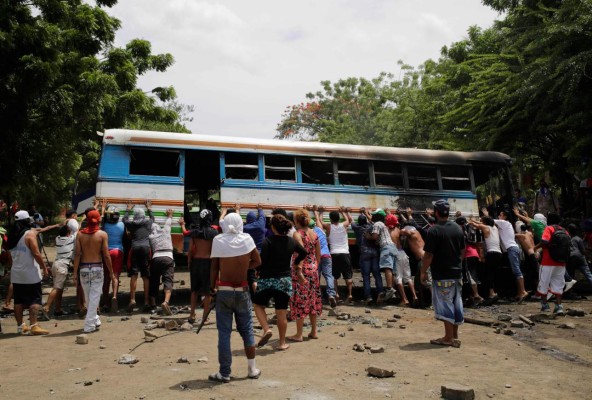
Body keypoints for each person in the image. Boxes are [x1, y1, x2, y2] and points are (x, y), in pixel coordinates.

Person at [209, 213, 262, 383]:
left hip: (223, 290)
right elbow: (257, 261)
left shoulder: (218, 240)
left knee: (224, 333)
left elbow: (214, 268)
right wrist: (246, 267)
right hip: (242, 289)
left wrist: (212, 289)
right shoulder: (247, 240)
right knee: (247, 330)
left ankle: (224, 373)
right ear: (240, 223)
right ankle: (252, 369)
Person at [253, 214, 307, 351]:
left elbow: (262, 260)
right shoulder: (291, 241)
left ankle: (266, 329)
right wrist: (295, 263)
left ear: (272, 227)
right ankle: (282, 343)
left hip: (266, 280)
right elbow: (304, 252)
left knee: (258, 305)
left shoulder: (268, 241)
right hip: (284, 280)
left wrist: (257, 269)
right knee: (281, 312)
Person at [420, 200, 465, 347]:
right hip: (457, 272)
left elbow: (428, 255)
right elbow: (462, 251)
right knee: (455, 302)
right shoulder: (458, 228)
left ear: (436, 212)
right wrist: (456, 263)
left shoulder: (434, 230)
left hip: (441, 273)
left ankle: (448, 338)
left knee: (445, 304)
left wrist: (423, 272)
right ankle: (454, 335)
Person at [8, 211, 50, 335]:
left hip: (16, 274)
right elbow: (36, 253)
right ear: (27, 221)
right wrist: (44, 268)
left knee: (18, 301)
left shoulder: (11, 236)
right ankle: (34, 326)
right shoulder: (29, 235)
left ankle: (21, 326)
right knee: (35, 300)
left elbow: (10, 258)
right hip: (30, 274)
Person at [73, 210, 114, 333]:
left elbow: (77, 254)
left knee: (89, 296)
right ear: (98, 220)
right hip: (97, 267)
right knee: (95, 296)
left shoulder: (79, 235)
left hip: (84, 268)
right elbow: (106, 255)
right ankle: (89, 324)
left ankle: (95, 319)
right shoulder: (102, 234)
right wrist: (111, 272)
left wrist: (75, 272)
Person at [287, 209, 322, 342]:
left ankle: (299, 334)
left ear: (296, 221)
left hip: (301, 271)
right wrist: (315, 266)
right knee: (313, 300)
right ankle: (314, 331)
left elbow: (301, 252)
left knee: (300, 301)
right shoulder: (314, 233)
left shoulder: (297, 234)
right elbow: (318, 254)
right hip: (313, 270)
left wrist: (299, 269)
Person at [180, 209, 218, 324]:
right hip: (208, 263)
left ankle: (192, 315)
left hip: (196, 262)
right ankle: (205, 318)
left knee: (194, 291)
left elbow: (191, 249)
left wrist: (189, 262)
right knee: (207, 292)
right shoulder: (214, 233)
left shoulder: (195, 232)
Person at [490, 208, 529, 302]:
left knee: (516, 270)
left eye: (500, 215)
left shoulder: (504, 223)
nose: (499, 217)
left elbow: (490, 220)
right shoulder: (507, 225)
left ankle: (523, 291)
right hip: (514, 248)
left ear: (504, 217)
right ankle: (520, 293)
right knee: (516, 270)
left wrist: (486, 214)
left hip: (511, 249)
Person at [122, 201, 154, 312]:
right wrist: (149, 208)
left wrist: (128, 209)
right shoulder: (147, 223)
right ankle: (146, 302)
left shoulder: (132, 225)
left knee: (134, 275)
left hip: (134, 248)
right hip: (146, 248)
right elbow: (153, 219)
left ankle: (132, 300)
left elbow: (124, 220)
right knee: (145, 276)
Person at [317, 207, 353, 304]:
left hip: (334, 253)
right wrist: (343, 212)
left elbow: (320, 221)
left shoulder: (329, 227)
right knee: (348, 275)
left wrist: (320, 212)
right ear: (338, 218)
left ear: (331, 219)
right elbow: (348, 220)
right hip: (345, 253)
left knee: (334, 276)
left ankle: (336, 294)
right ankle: (349, 294)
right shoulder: (343, 225)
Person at [537, 213, 568, 314]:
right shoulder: (564, 231)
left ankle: (545, 305)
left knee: (543, 282)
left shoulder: (549, 228)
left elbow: (545, 241)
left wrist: (536, 247)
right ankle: (559, 306)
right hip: (561, 262)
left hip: (547, 261)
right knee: (558, 284)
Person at [469, 215, 502, 305]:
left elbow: (475, 225)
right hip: (498, 253)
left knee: (489, 274)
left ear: (485, 222)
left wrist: (470, 221)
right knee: (493, 273)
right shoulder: (494, 227)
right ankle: (494, 292)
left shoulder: (485, 227)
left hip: (492, 253)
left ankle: (491, 293)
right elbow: (481, 224)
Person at [351, 210, 382, 305]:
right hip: (375, 252)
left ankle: (368, 297)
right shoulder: (371, 226)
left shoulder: (357, 228)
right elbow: (372, 221)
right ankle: (380, 292)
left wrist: (348, 213)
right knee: (377, 274)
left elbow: (351, 221)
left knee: (366, 276)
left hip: (364, 253)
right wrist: (366, 213)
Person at [43, 225, 75, 317]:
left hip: (56, 264)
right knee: (57, 288)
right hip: (62, 266)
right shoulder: (71, 239)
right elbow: (76, 231)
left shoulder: (58, 239)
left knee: (59, 289)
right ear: (68, 233)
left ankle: (58, 309)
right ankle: (47, 307)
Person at [148, 209, 175, 315]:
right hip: (168, 257)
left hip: (156, 258)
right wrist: (170, 215)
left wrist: (149, 210)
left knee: (154, 281)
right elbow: (168, 222)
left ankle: (153, 303)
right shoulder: (166, 231)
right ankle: (166, 302)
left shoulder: (151, 237)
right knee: (168, 280)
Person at [367, 208, 397, 302]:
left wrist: (369, 237)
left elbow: (375, 236)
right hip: (392, 247)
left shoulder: (377, 224)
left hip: (386, 247)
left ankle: (389, 288)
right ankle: (391, 288)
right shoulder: (384, 225)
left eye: (373, 215)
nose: (372, 216)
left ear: (377, 216)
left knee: (387, 267)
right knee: (391, 269)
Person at [387, 213, 418, 306]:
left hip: (396, 255)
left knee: (398, 279)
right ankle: (415, 296)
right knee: (408, 277)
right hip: (403, 253)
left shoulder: (387, 231)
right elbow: (406, 228)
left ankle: (404, 299)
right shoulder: (398, 230)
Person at [312, 206, 337, 307]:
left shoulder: (309, 234)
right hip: (326, 254)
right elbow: (318, 219)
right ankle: (331, 295)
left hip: (316, 256)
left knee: (316, 277)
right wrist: (317, 211)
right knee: (329, 276)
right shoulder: (321, 230)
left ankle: (317, 296)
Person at [101, 206, 125, 312]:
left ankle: (106, 303)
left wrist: (102, 209)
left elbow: (102, 219)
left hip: (107, 253)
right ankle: (114, 296)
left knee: (107, 277)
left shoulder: (104, 226)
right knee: (115, 275)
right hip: (118, 251)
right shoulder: (122, 225)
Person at [515, 223, 540, 294]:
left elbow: (510, 235)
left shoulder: (520, 235)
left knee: (536, 274)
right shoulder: (529, 233)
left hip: (530, 255)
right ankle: (537, 291)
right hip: (535, 253)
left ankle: (540, 292)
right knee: (534, 274)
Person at [566, 224, 592, 289]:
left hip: (571, 257)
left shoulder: (567, 238)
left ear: (569, 230)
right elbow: (583, 250)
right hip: (580, 257)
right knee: (588, 274)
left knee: (570, 274)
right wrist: (587, 257)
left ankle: (570, 290)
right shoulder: (578, 238)